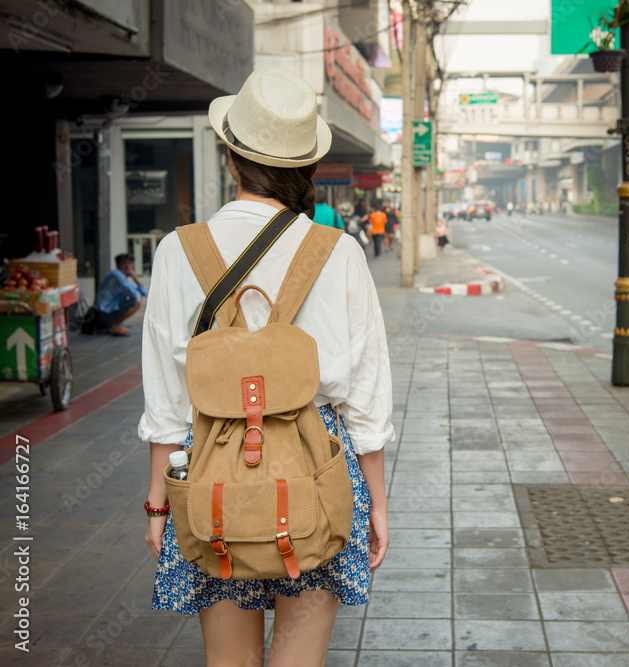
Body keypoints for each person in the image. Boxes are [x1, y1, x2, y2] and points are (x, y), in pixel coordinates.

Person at [138, 67, 393, 667]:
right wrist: (377, 503)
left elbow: (167, 399)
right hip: (320, 471)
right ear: (307, 166)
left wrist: (158, 501)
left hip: (211, 474)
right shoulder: (340, 252)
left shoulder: (179, 251)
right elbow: (366, 398)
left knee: (228, 661)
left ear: (231, 156)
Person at [86, 252, 147, 336]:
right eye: (124, 263)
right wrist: (133, 276)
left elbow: (144, 292)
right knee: (136, 301)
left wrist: (134, 276)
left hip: (108, 312)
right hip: (102, 315)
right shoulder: (116, 276)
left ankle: (115, 324)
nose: (127, 266)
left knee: (132, 299)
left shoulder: (121, 277)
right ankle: (113, 326)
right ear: (118, 264)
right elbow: (136, 295)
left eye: (130, 263)